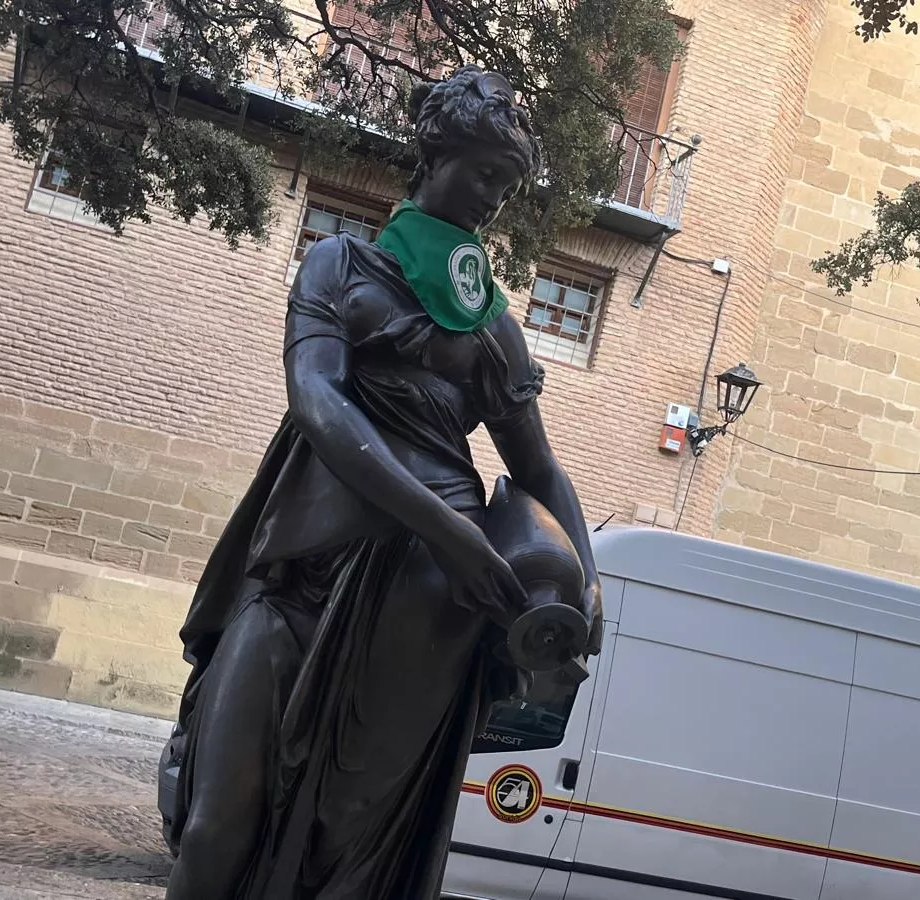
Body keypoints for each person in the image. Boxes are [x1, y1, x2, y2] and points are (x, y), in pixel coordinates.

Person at [159, 66, 602, 900]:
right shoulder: (340, 263)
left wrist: (588, 582)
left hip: (428, 600)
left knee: (352, 845)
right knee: (219, 822)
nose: (493, 200)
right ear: (434, 154)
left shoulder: (492, 325)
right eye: (483, 174)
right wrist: (445, 526)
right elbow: (319, 404)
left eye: (507, 187)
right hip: (304, 566)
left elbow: (538, 467)